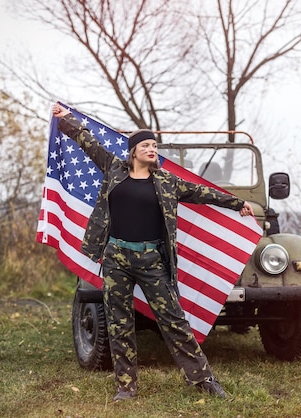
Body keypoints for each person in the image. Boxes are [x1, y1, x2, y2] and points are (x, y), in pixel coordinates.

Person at [52, 103, 254, 401]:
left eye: (154, 145)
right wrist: (65, 119)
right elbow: (87, 142)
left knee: (174, 321)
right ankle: (125, 386)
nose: (152, 149)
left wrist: (236, 203)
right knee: (119, 322)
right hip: (116, 259)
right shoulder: (114, 169)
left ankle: (203, 379)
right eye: (146, 144)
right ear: (133, 151)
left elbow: (202, 193)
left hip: (151, 259)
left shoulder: (166, 181)